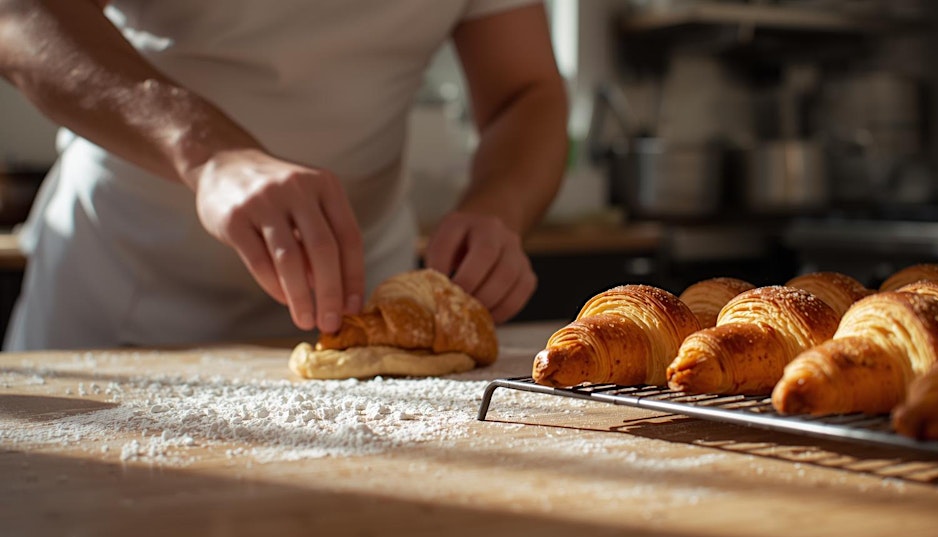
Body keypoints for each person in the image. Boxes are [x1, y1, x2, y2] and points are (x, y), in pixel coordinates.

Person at [0, 0, 568, 350]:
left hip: (365, 304)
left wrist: (500, 206)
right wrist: (205, 151)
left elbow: (528, 93)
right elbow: (22, 17)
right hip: (121, 293)